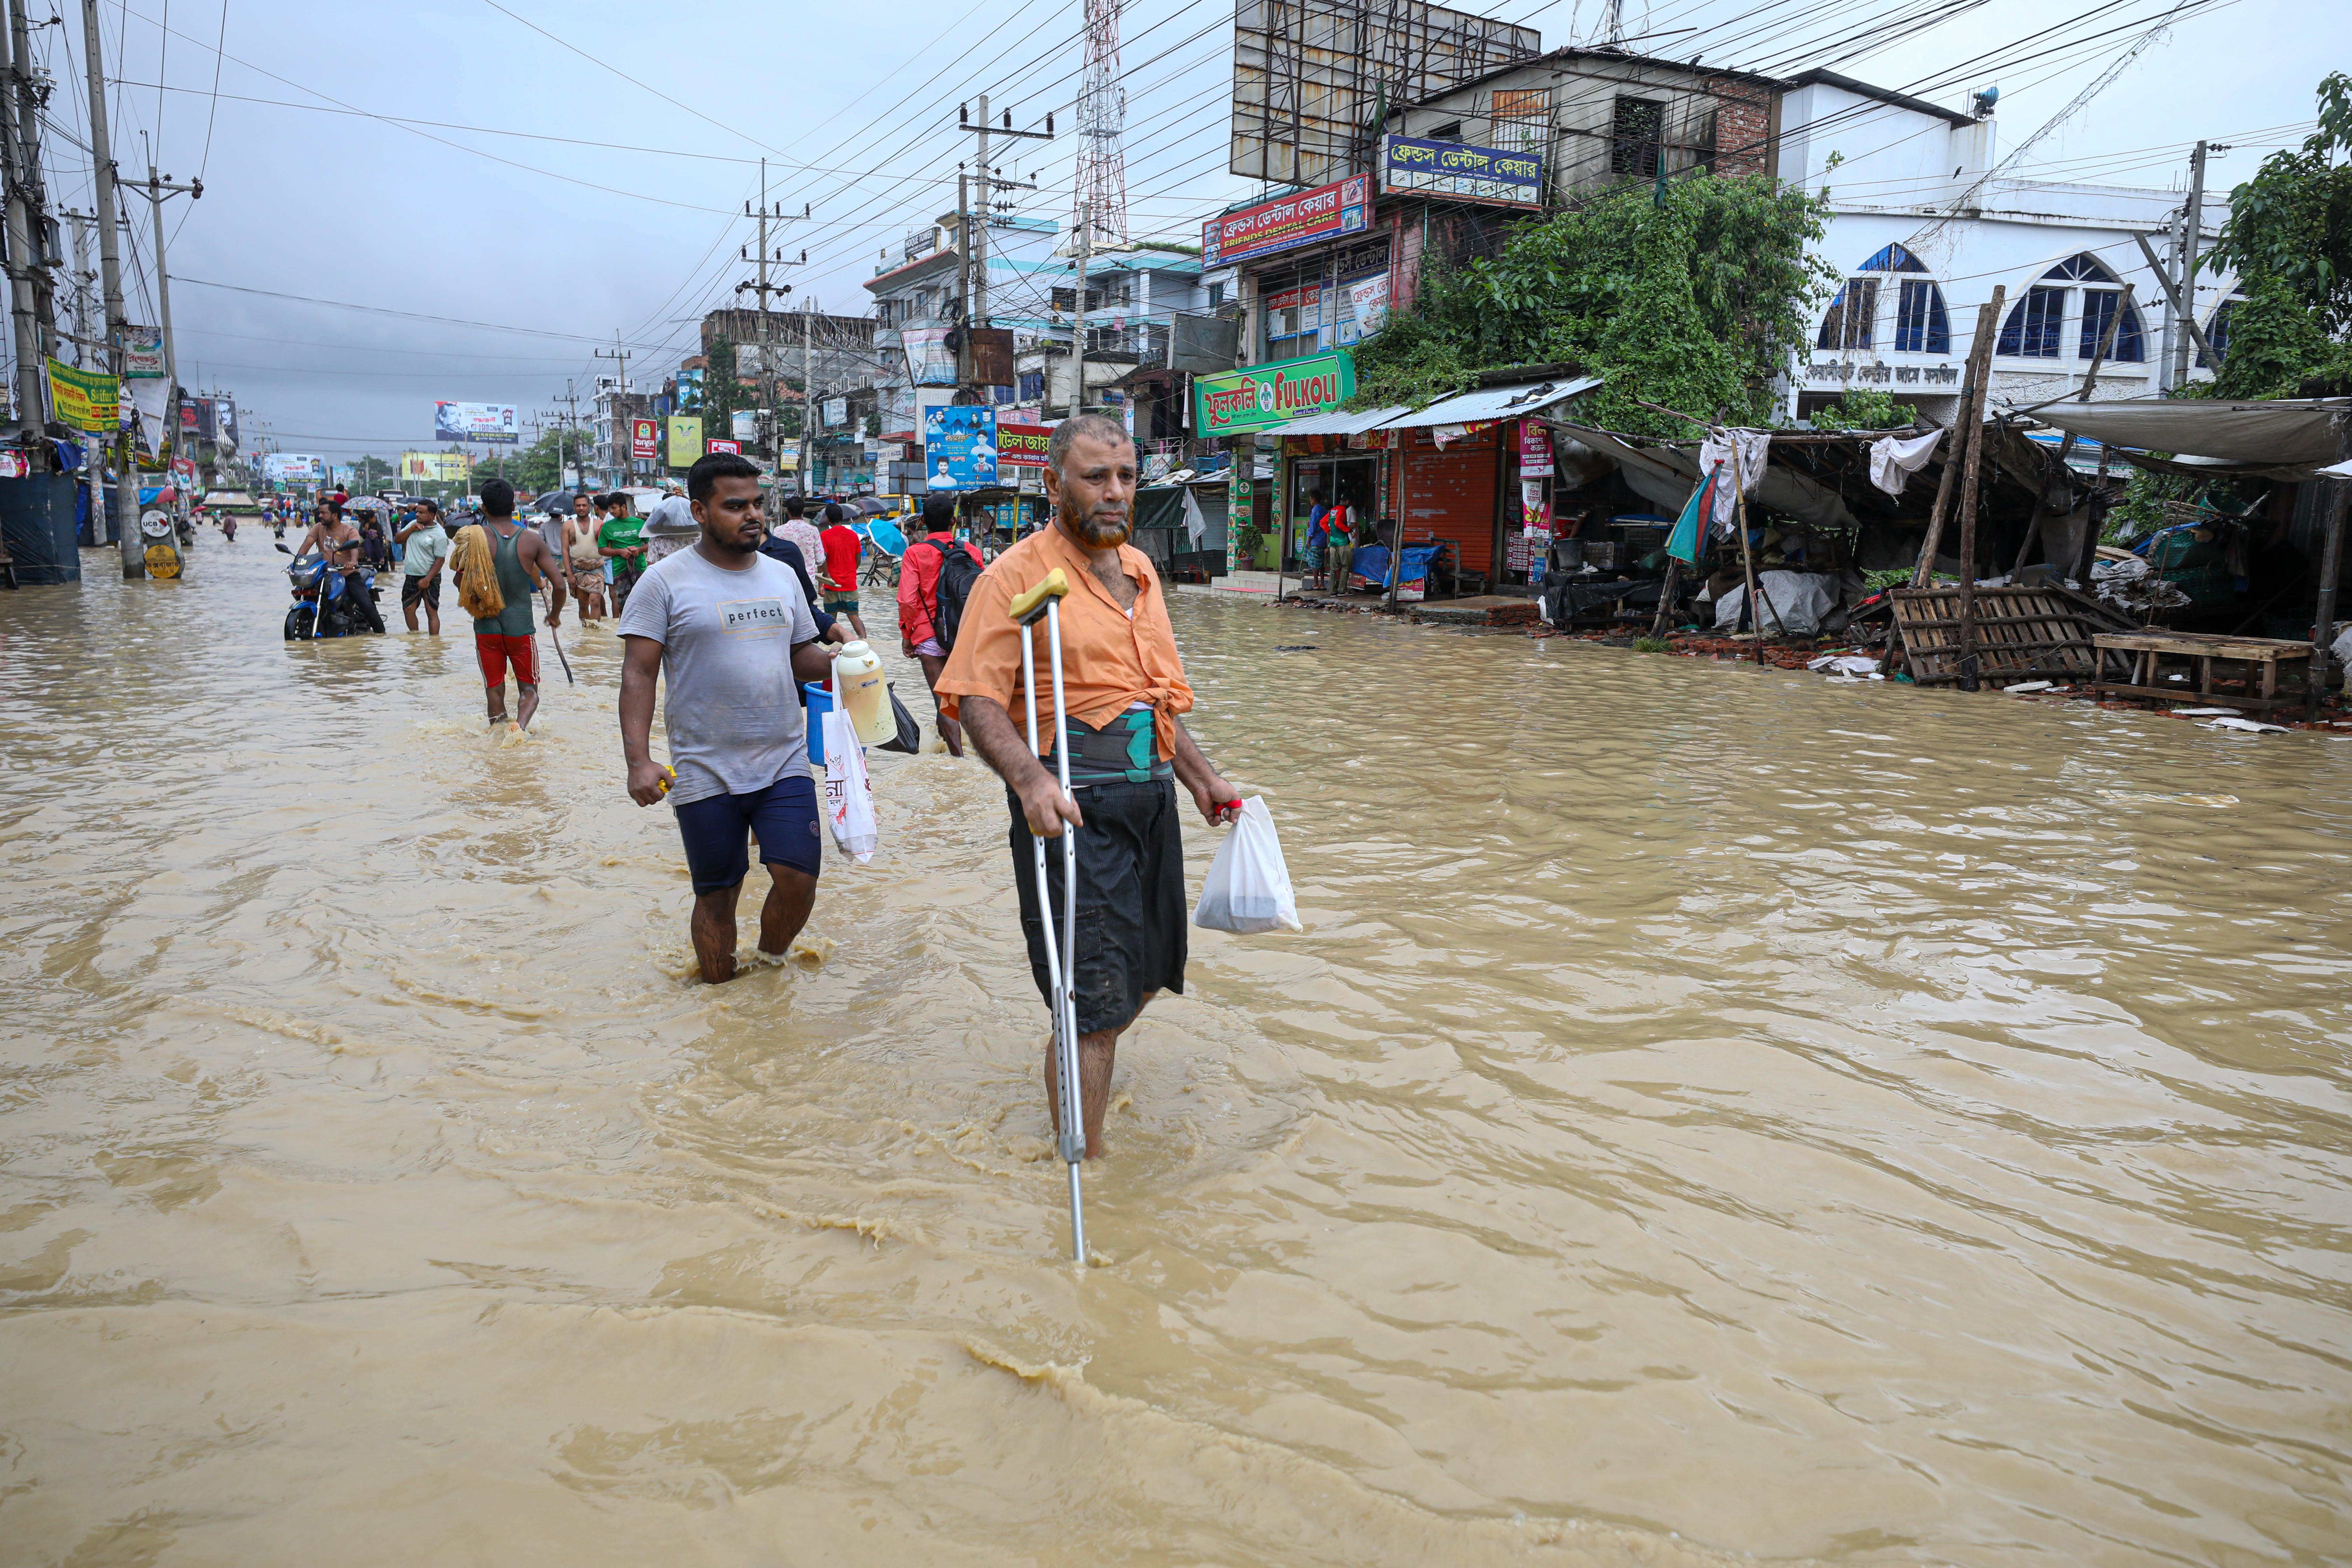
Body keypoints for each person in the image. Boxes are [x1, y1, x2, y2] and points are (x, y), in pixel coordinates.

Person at [935, 415, 1243, 1159]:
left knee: (1146, 978)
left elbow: (1154, 693)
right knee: (1093, 1008)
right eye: (1095, 477)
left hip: (1152, 801)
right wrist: (1030, 780)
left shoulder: (1140, 570)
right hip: (1074, 811)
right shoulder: (1013, 576)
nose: (1114, 493)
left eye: (1126, 477)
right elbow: (976, 696)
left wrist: (1201, 776)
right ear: (1053, 483)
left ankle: (1078, 1055)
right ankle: (1085, 1161)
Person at [618, 452, 835, 984]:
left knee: (798, 878)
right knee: (717, 893)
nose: (753, 515)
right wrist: (639, 761)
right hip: (703, 766)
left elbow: (801, 655)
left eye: (758, 504)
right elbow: (639, 675)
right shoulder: (664, 582)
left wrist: (844, 662)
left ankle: (767, 966)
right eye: (735, 506)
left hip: (782, 756)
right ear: (699, 510)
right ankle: (720, 999)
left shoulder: (784, 576)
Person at [451, 477, 566, 731]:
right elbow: (559, 585)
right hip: (521, 629)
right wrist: (555, 615)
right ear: (514, 507)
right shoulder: (532, 540)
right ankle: (520, 727)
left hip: (486, 628)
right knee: (529, 691)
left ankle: (498, 736)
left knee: (494, 691)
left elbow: (459, 583)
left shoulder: (474, 541)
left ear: (484, 509)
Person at [897, 493, 983, 755]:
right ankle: (964, 751)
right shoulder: (972, 552)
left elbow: (907, 601)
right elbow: (984, 595)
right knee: (963, 699)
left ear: (923, 521)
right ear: (954, 521)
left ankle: (958, 763)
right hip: (965, 635)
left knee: (943, 702)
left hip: (929, 635)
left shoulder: (914, 554)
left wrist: (907, 635)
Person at [295, 498, 385, 633]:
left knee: (366, 605)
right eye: (320, 513)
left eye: (323, 513)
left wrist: (352, 562)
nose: (320, 516)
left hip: (347, 574)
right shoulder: (319, 528)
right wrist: (298, 562)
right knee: (300, 591)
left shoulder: (349, 532)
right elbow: (306, 545)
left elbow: (354, 550)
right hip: (324, 573)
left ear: (335, 516)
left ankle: (381, 633)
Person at [396, 497, 451, 635]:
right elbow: (398, 539)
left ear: (432, 516)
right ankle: (416, 638)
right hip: (411, 575)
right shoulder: (414, 524)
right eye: (417, 512)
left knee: (431, 611)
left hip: (430, 576)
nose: (418, 515)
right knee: (408, 609)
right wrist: (412, 530)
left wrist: (427, 580)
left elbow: (440, 560)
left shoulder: (439, 535)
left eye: (421, 513)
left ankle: (434, 644)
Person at [817, 502, 867, 639]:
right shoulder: (853, 535)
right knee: (854, 616)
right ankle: (866, 642)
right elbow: (858, 560)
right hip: (850, 585)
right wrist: (851, 572)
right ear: (843, 516)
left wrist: (822, 583)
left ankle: (830, 651)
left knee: (830, 621)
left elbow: (822, 561)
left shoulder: (825, 536)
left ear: (828, 519)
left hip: (831, 584)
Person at [598, 491, 648, 611]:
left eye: (614, 508)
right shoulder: (607, 527)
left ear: (624, 507)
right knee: (624, 607)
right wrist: (620, 552)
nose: (611, 511)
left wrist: (639, 550)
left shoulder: (640, 524)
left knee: (644, 604)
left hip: (640, 568)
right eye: (610, 508)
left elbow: (651, 545)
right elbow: (602, 550)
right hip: (620, 571)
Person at [565, 496, 608, 622]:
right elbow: (565, 550)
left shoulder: (600, 524)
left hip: (597, 569)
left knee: (595, 603)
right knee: (583, 605)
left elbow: (607, 546)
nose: (581, 508)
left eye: (584, 505)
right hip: (578, 570)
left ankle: (594, 634)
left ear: (590, 507)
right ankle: (586, 635)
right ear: (574, 507)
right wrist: (569, 574)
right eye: (578, 506)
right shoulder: (568, 526)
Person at [1301, 487, 1330, 590]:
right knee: (1321, 563)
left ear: (1313, 499)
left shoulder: (1315, 512)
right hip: (1323, 540)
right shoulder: (1324, 511)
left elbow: (1312, 529)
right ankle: (1322, 584)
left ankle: (1316, 584)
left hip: (1316, 541)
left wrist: (1308, 541)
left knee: (1314, 563)